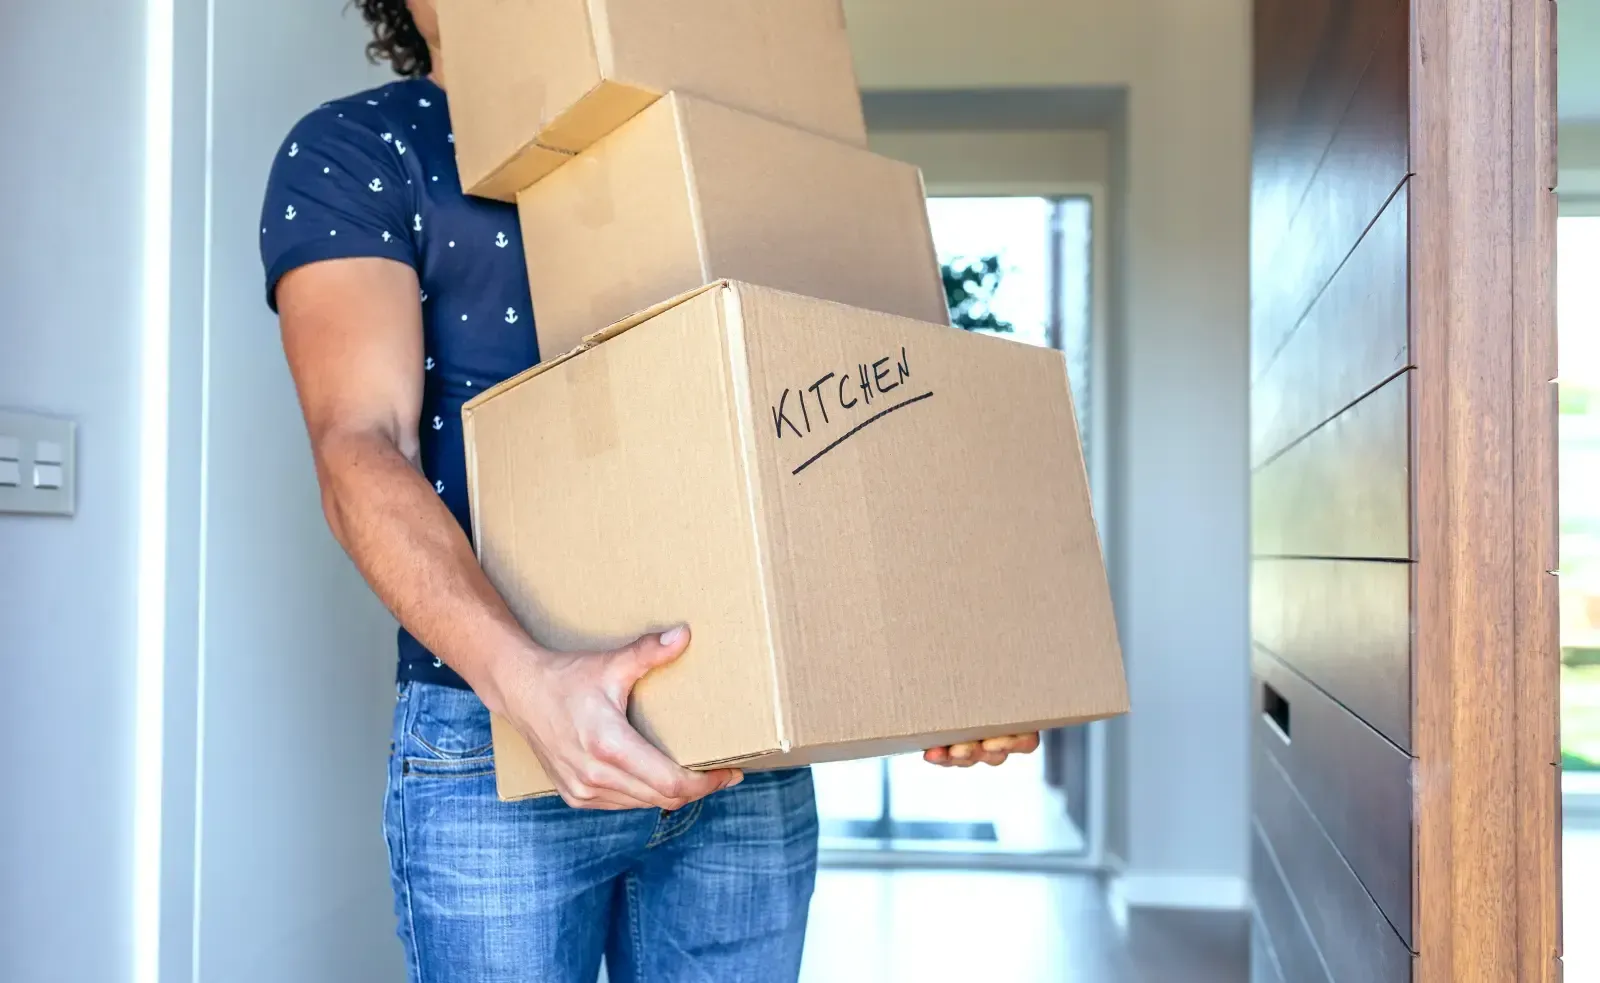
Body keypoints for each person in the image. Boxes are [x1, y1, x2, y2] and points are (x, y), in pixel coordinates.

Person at [259, 1, 1041, 980]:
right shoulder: (365, 146)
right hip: (493, 732)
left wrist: (953, 652)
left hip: (743, 740)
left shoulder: (713, 138)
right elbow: (357, 442)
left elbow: (839, 416)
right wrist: (527, 682)